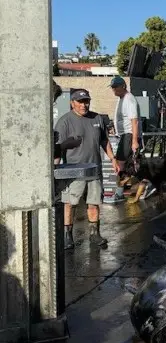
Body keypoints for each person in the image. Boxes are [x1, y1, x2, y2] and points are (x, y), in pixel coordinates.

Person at [54, 89, 119, 249]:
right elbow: (58, 148)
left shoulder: (97, 118)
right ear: (72, 103)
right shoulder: (64, 122)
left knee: (93, 202)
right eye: (80, 102)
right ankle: (68, 236)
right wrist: (54, 168)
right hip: (73, 172)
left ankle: (94, 235)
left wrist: (112, 158)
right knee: (70, 203)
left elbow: (104, 141)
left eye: (86, 101)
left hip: (94, 170)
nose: (84, 105)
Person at [109, 76, 141, 197]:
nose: (113, 90)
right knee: (128, 164)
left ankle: (119, 191)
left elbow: (134, 121)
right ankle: (129, 187)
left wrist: (134, 140)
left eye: (115, 87)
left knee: (120, 163)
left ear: (123, 86)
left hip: (129, 134)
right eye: (112, 88)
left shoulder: (129, 99)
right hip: (123, 135)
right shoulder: (121, 98)